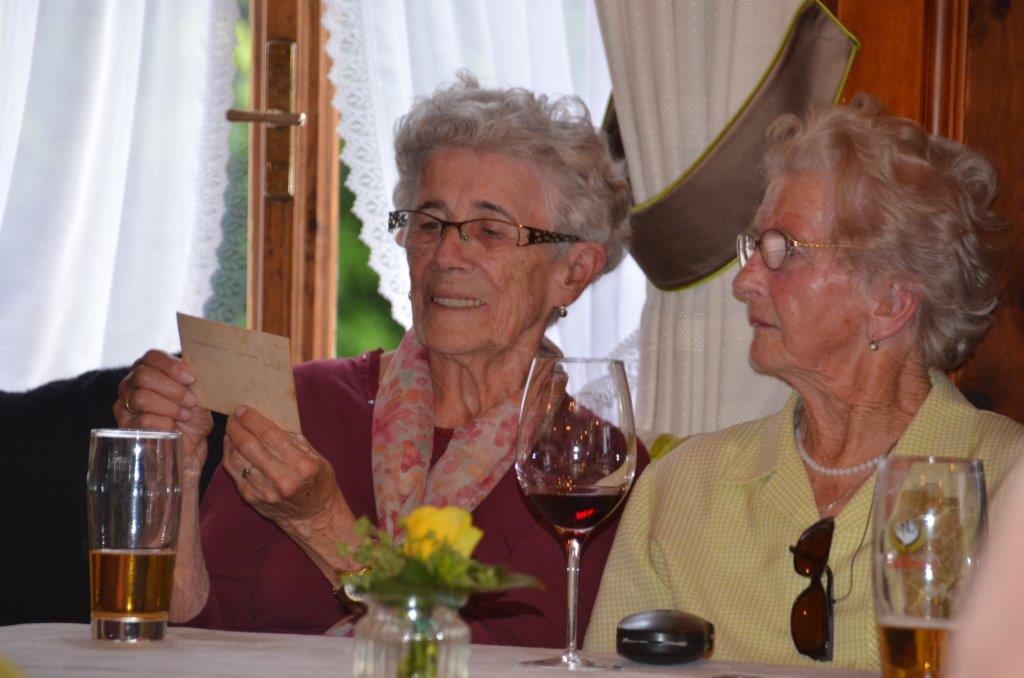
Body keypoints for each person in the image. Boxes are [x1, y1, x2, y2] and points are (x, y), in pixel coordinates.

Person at [114, 72, 646, 645]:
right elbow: (197, 638)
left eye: (490, 231)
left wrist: (323, 525)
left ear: (574, 271)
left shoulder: (592, 466)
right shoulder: (299, 404)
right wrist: (175, 472)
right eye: (429, 224)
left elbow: (514, 660)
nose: (446, 255)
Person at [584, 94, 1024, 670]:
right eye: (755, 247)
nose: (743, 282)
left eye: (782, 251)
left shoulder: (1005, 484)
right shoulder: (678, 489)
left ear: (890, 302)